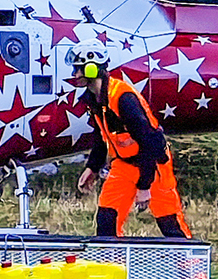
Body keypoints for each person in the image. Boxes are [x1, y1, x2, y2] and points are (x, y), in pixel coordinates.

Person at [74, 54, 191, 238]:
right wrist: (92, 168)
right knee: (106, 220)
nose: (75, 74)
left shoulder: (122, 98)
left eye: (79, 68)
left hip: (153, 164)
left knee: (169, 223)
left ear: (93, 69)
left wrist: (144, 186)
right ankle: (111, 265)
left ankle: (189, 266)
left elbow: (149, 142)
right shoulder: (94, 100)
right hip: (124, 164)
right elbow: (101, 136)